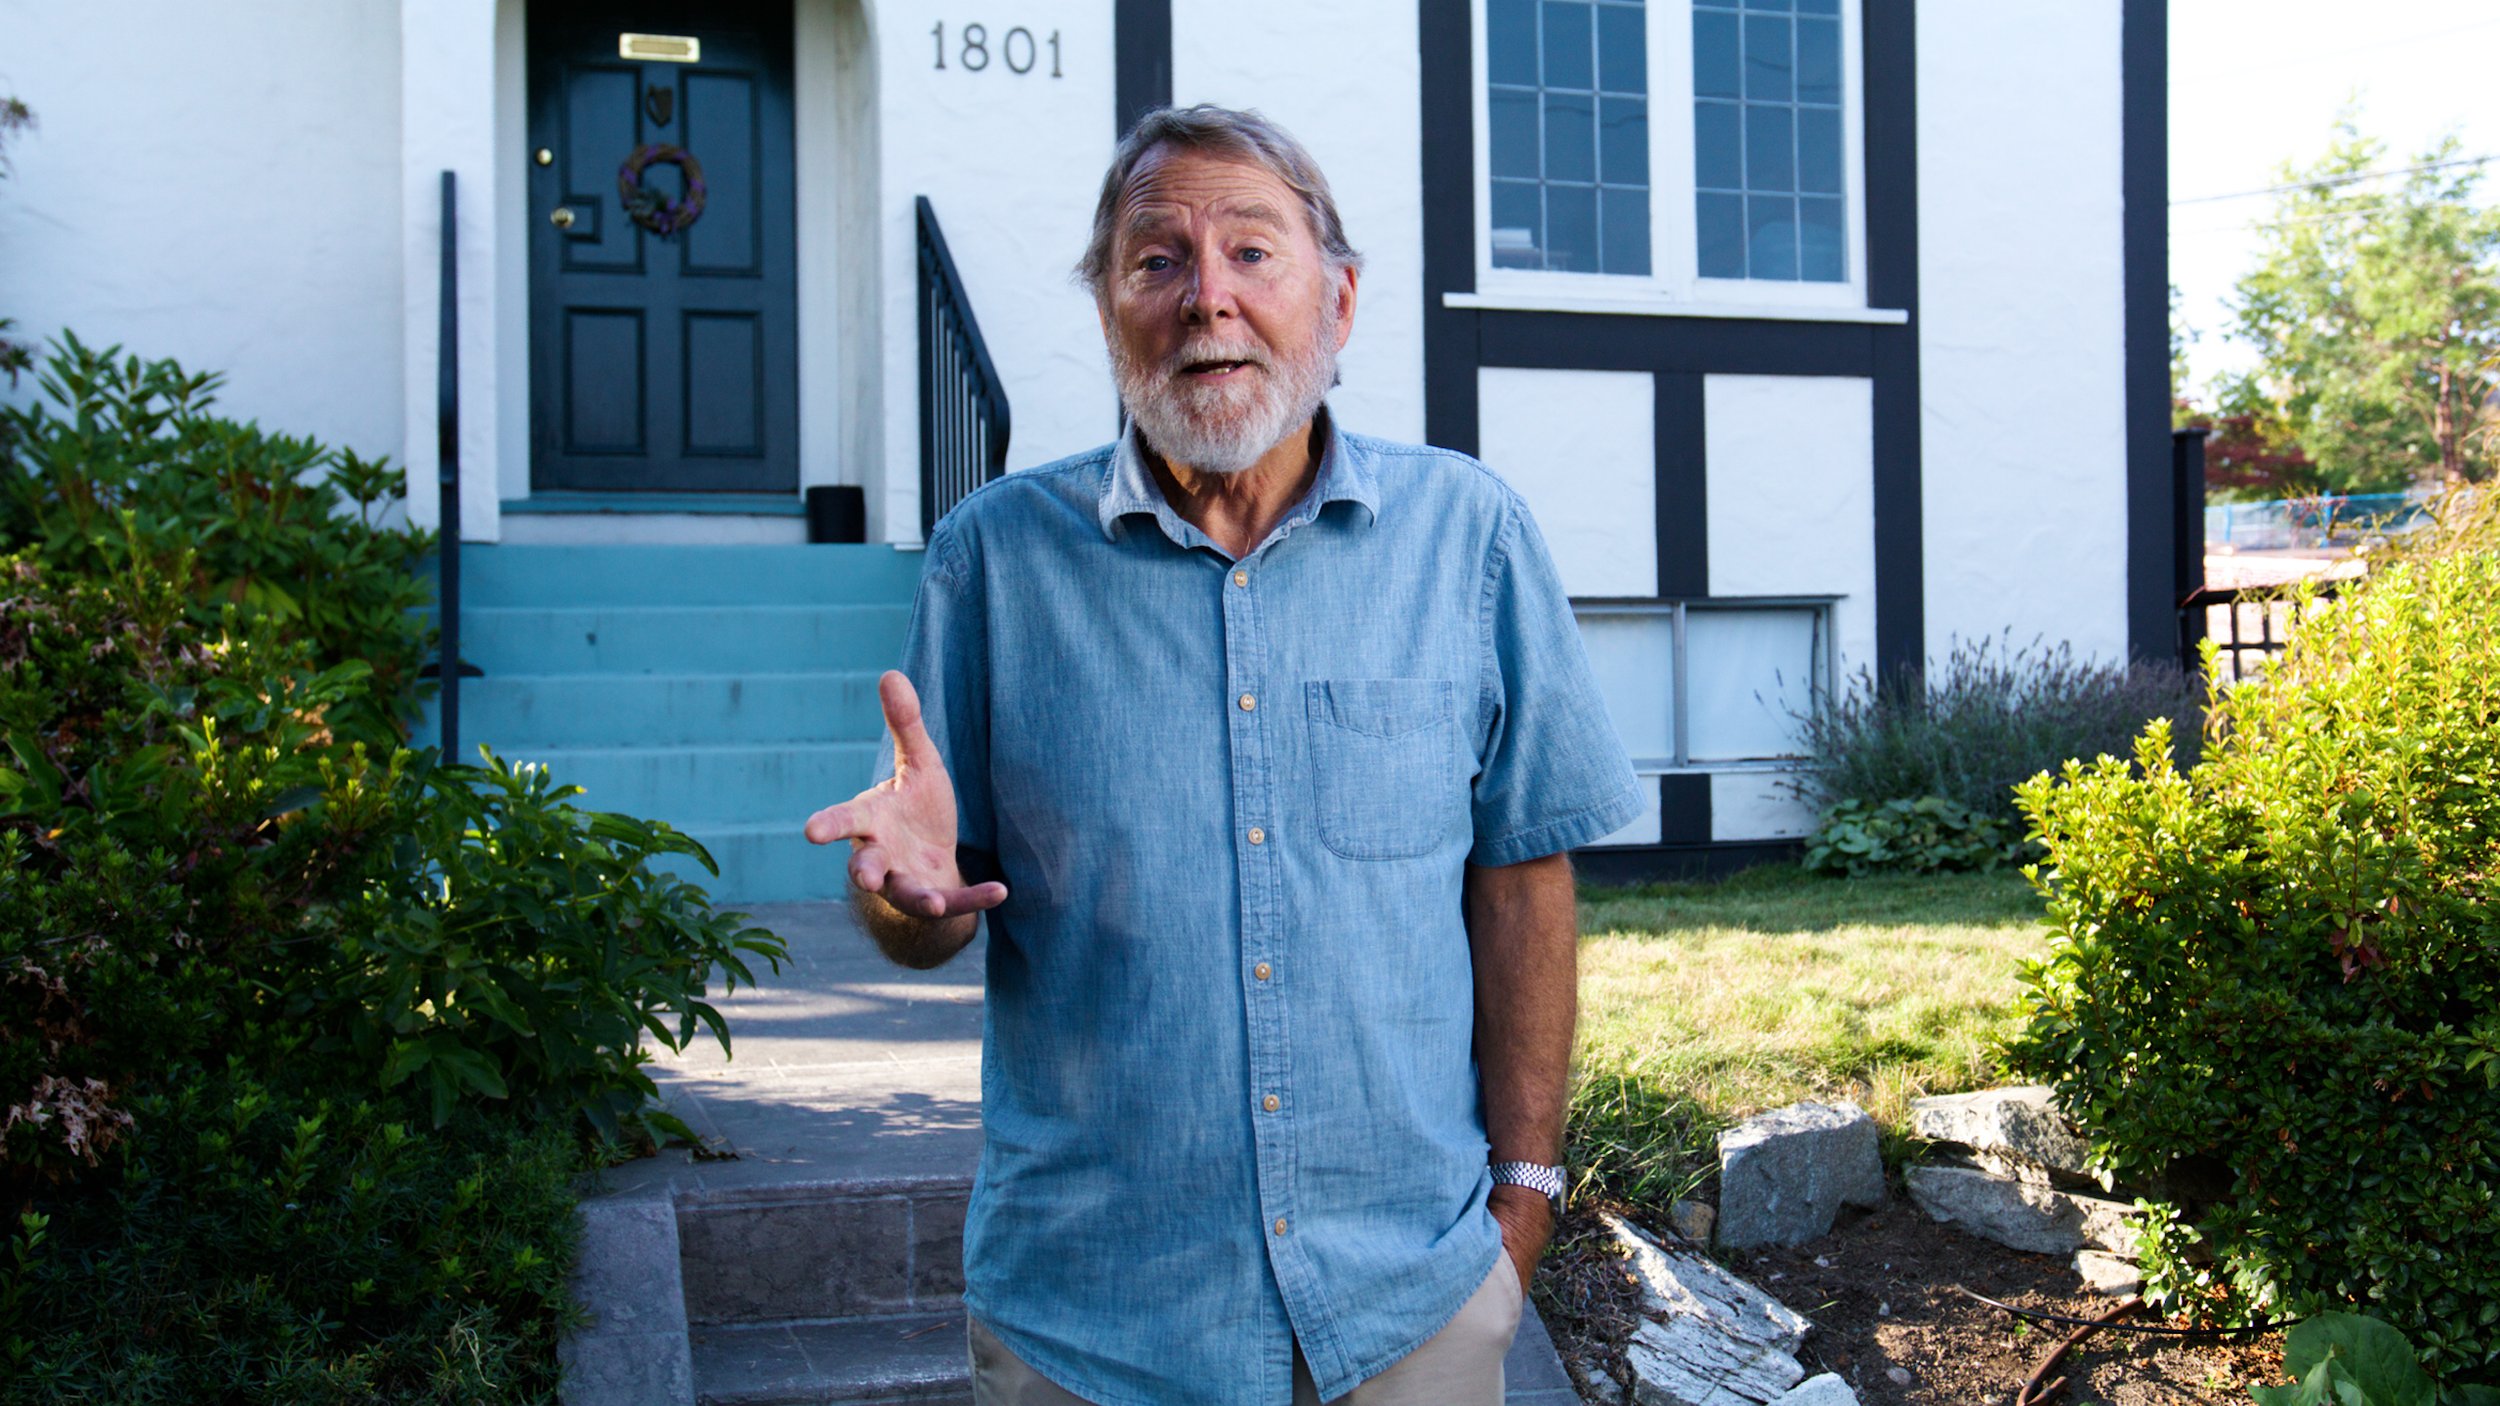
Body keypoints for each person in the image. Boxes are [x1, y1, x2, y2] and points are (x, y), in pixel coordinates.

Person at [804, 104, 1640, 1406]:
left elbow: (1523, 875)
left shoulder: (1468, 540)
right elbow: (932, 915)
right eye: (1157, 260)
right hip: (1089, 1328)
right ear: (1107, 308)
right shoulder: (995, 563)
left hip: (1409, 1311)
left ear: (1342, 302)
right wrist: (895, 896)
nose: (1209, 300)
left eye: (1254, 252)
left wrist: (1521, 1211)